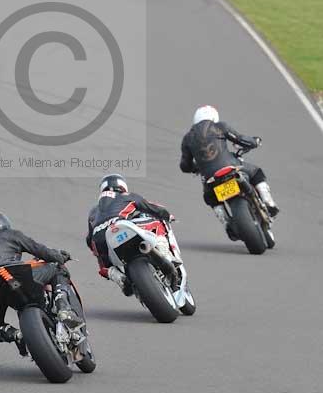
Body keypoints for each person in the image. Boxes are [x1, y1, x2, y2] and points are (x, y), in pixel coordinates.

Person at [0, 212, 81, 354]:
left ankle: (16, 335)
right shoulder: (11, 235)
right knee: (58, 268)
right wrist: (59, 257)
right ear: (5, 225)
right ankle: (63, 309)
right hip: (15, 276)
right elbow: (40, 251)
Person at [179, 105, 279, 233]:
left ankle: (226, 222)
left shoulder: (187, 138)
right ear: (214, 117)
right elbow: (240, 139)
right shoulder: (220, 126)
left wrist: (195, 168)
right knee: (256, 172)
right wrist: (255, 141)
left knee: (210, 198)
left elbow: (184, 166)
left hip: (210, 178)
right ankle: (268, 202)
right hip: (230, 167)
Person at [86, 174, 175, 294]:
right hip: (119, 226)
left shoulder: (93, 211)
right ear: (122, 187)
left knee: (104, 267)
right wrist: (167, 215)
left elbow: (88, 239)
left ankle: (119, 277)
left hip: (99, 238)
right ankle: (164, 254)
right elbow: (150, 207)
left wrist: (97, 252)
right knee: (157, 221)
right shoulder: (126, 196)